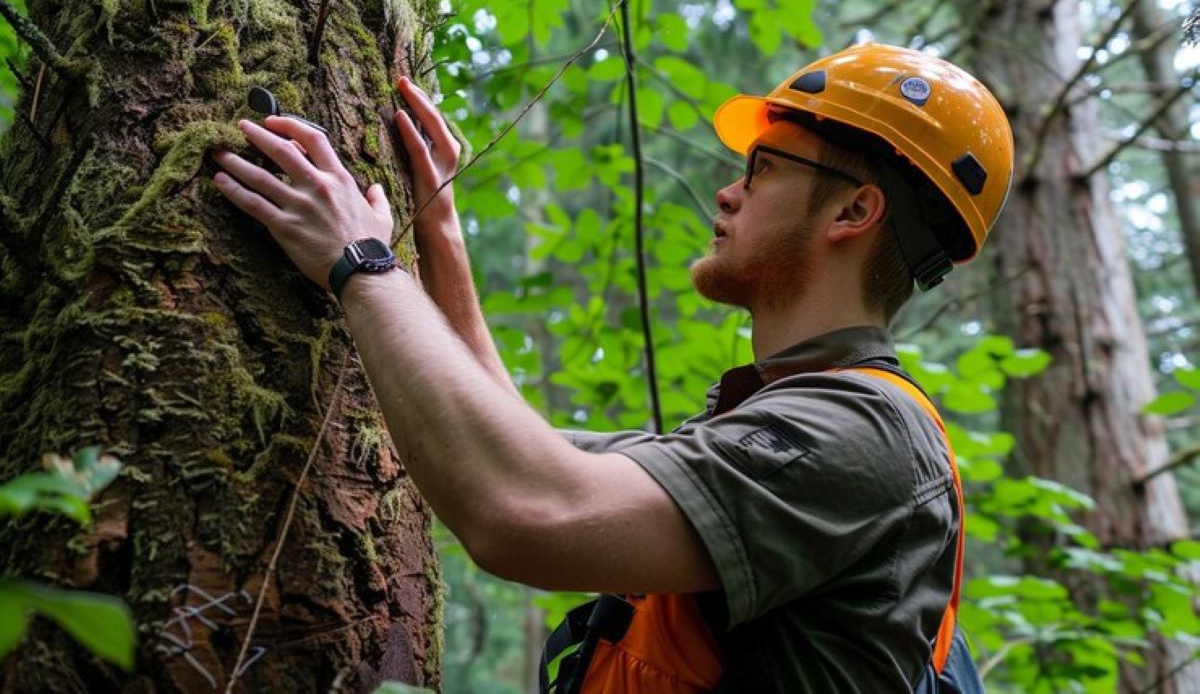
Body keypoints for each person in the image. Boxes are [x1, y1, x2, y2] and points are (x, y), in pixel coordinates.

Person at [211, 43, 1012, 692]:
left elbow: (524, 507)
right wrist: (439, 232)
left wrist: (362, 262)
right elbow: (518, 450)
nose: (729, 192)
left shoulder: (863, 435)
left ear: (853, 211)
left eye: (765, 166)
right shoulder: (770, 427)